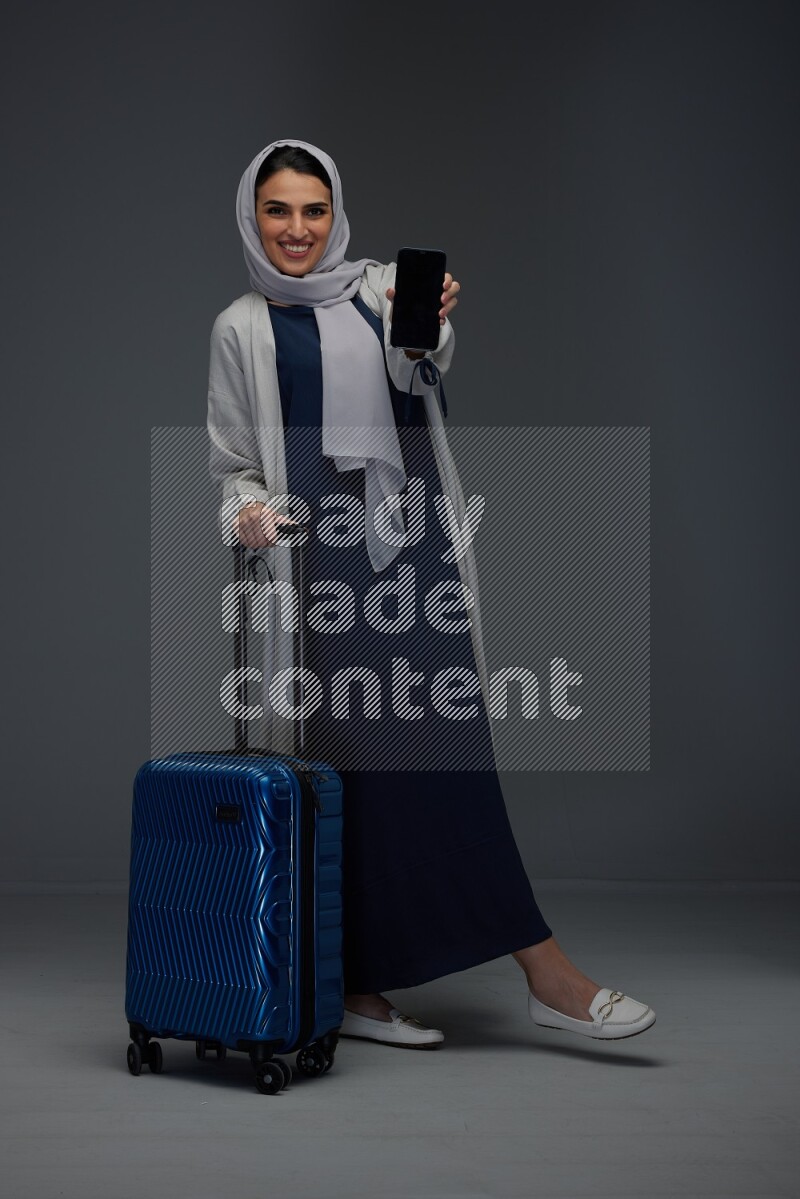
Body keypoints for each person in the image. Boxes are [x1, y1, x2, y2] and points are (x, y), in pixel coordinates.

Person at [207, 138, 655, 1047]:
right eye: (278, 211)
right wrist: (247, 512)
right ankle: (360, 987)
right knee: (348, 774)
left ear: (338, 215)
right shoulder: (239, 328)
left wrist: (433, 326)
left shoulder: (380, 291)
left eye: (314, 209)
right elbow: (234, 465)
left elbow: (423, 372)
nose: (298, 229)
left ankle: (543, 968)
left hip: (410, 556)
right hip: (316, 574)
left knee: (446, 749)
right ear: (251, 220)